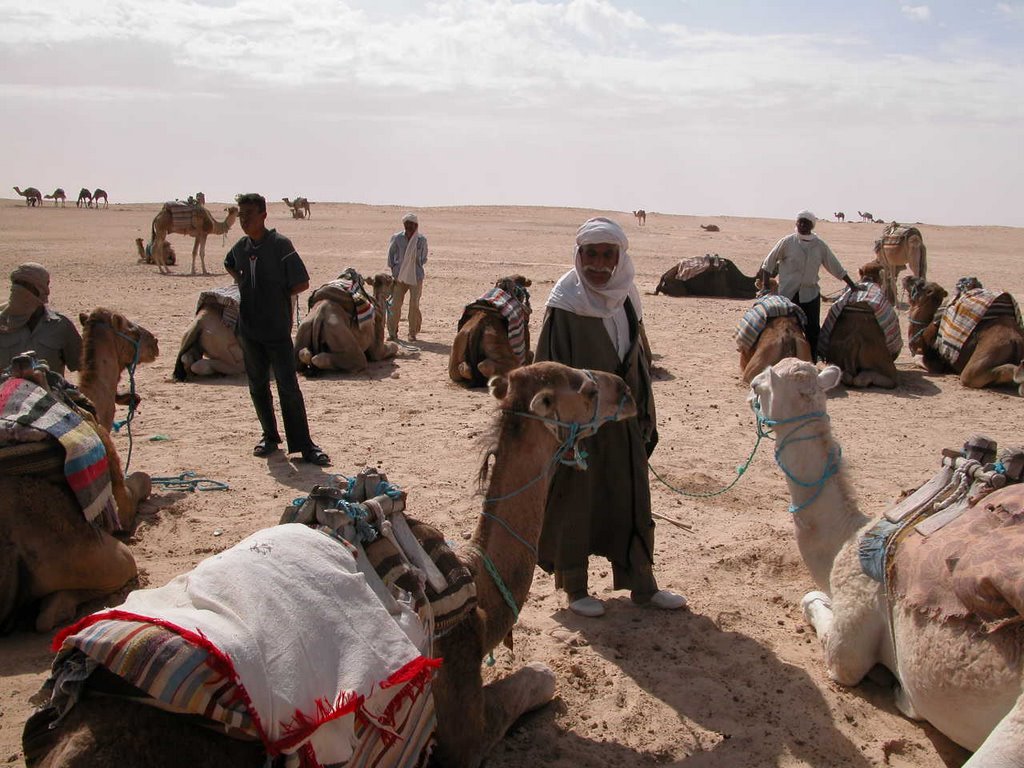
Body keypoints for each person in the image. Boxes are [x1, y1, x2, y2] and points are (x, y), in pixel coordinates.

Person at [535, 217, 686, 618]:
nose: (598, 265)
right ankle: (575, 585)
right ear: (578, 255)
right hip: (579, 429)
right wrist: (563, 430)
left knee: (632, 497)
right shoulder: (565, 303)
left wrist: (645, 412)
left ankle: (642, 583)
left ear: (620, 257)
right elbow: (546, 372)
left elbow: (638, 357)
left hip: (624, 419)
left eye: (607, 255)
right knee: (576, 501)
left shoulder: (629, 296)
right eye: (591, 255)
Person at [224, 193, 330, 466]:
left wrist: (275, 294)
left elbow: (302, 282)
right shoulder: (240, 248)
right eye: (241, 214)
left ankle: (303, 444)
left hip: (276, 329)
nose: (244, 219)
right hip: (248, 328)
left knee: (288, 386)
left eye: (249, 214)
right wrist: (247, 285)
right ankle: (269, 436)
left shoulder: (280, 245)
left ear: (263, 215)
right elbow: (230, 264)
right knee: (258, 385)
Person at [757, 210, 857, 360]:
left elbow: (835, 266)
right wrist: (765, 287)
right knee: (778, 328)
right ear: (796, 223)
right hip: (787, 296)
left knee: (813, 331)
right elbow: (767, 264)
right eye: (800, 221)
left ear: (812, 225)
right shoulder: (787, 242)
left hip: (810, 295)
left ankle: (812, 360)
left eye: (806, 222)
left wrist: (852, 285)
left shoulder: (820, 246)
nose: (803, 225)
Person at [0, 262, 82, 376]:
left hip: (48, 392)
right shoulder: (2, 323)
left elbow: (84, 367)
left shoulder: (60, 326)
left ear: (41, 290)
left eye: (24, 285)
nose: (18, 290)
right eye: (16, 284)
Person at [386, 213, 428, 341]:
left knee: (414, 304)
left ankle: (412, 332)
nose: (410, 227)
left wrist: (414, 263)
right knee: (395, 304)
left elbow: (423, 258)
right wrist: (396, 270)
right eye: (407, 224)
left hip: (416, 276)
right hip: (400, 276)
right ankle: (393, 333)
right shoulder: (397, 238)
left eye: (412, 225)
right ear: (404, 225)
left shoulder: (421, 240)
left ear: (416, 226)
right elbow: (391, 255)